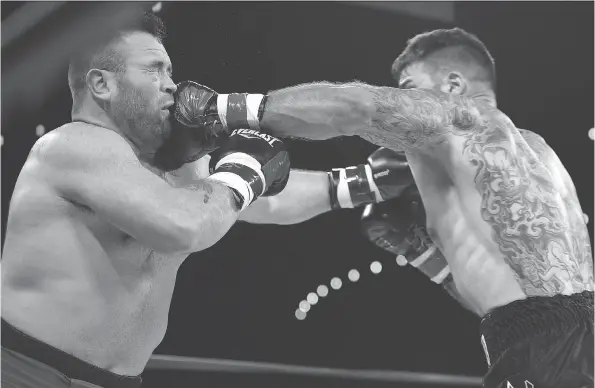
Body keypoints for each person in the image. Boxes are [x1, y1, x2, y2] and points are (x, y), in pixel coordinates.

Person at [1, 12, 413, 388]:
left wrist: (363, 183)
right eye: (154, 70)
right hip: (24, 370)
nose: (171, 84)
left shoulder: (171, 169)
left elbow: (261, 203)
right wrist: (242, 174)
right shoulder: (72, 145)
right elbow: (183, 227)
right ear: (101, 84)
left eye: (170, 70)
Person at [184, 27, 594, 388]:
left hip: (547, 351)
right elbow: (523, 295)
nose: (405, 102)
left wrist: (215, 109)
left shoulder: (460, 119)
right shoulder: (533, 155)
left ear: (451, 86)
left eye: (411, 89)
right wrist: (424, 256)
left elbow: (357, 106)